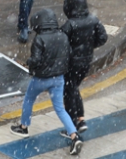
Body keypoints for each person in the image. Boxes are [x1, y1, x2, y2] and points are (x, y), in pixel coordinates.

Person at [10, 8, 83, 156]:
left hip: (41, 79)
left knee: (29, 99)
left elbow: (35, 60)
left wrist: (28, 62)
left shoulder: (39, 39)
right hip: (59, 79)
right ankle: (74, 136)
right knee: (60, 109)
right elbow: (69, 54)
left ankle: (23, 127)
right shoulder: (63, 36)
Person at [60, 0, 108, 137]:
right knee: (74, 88)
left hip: (71, 64)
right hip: (86, 61)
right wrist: (88, 47)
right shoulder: (93, 20)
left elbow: (61, 44)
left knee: (69, 92)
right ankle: (80, 119)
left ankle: (72, 125)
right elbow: (103, 38)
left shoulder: (69, 25)